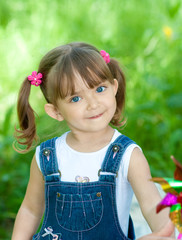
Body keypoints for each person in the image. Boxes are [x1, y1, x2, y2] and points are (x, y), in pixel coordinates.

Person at [12, 42, 174, 240]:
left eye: (99, 89)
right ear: (55, 111)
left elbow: (151, 205)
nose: (93, 104)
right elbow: (31, 210)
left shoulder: (127, 155)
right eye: (75, 99)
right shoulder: (46, 157)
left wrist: (166, 233)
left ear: (114, 87)